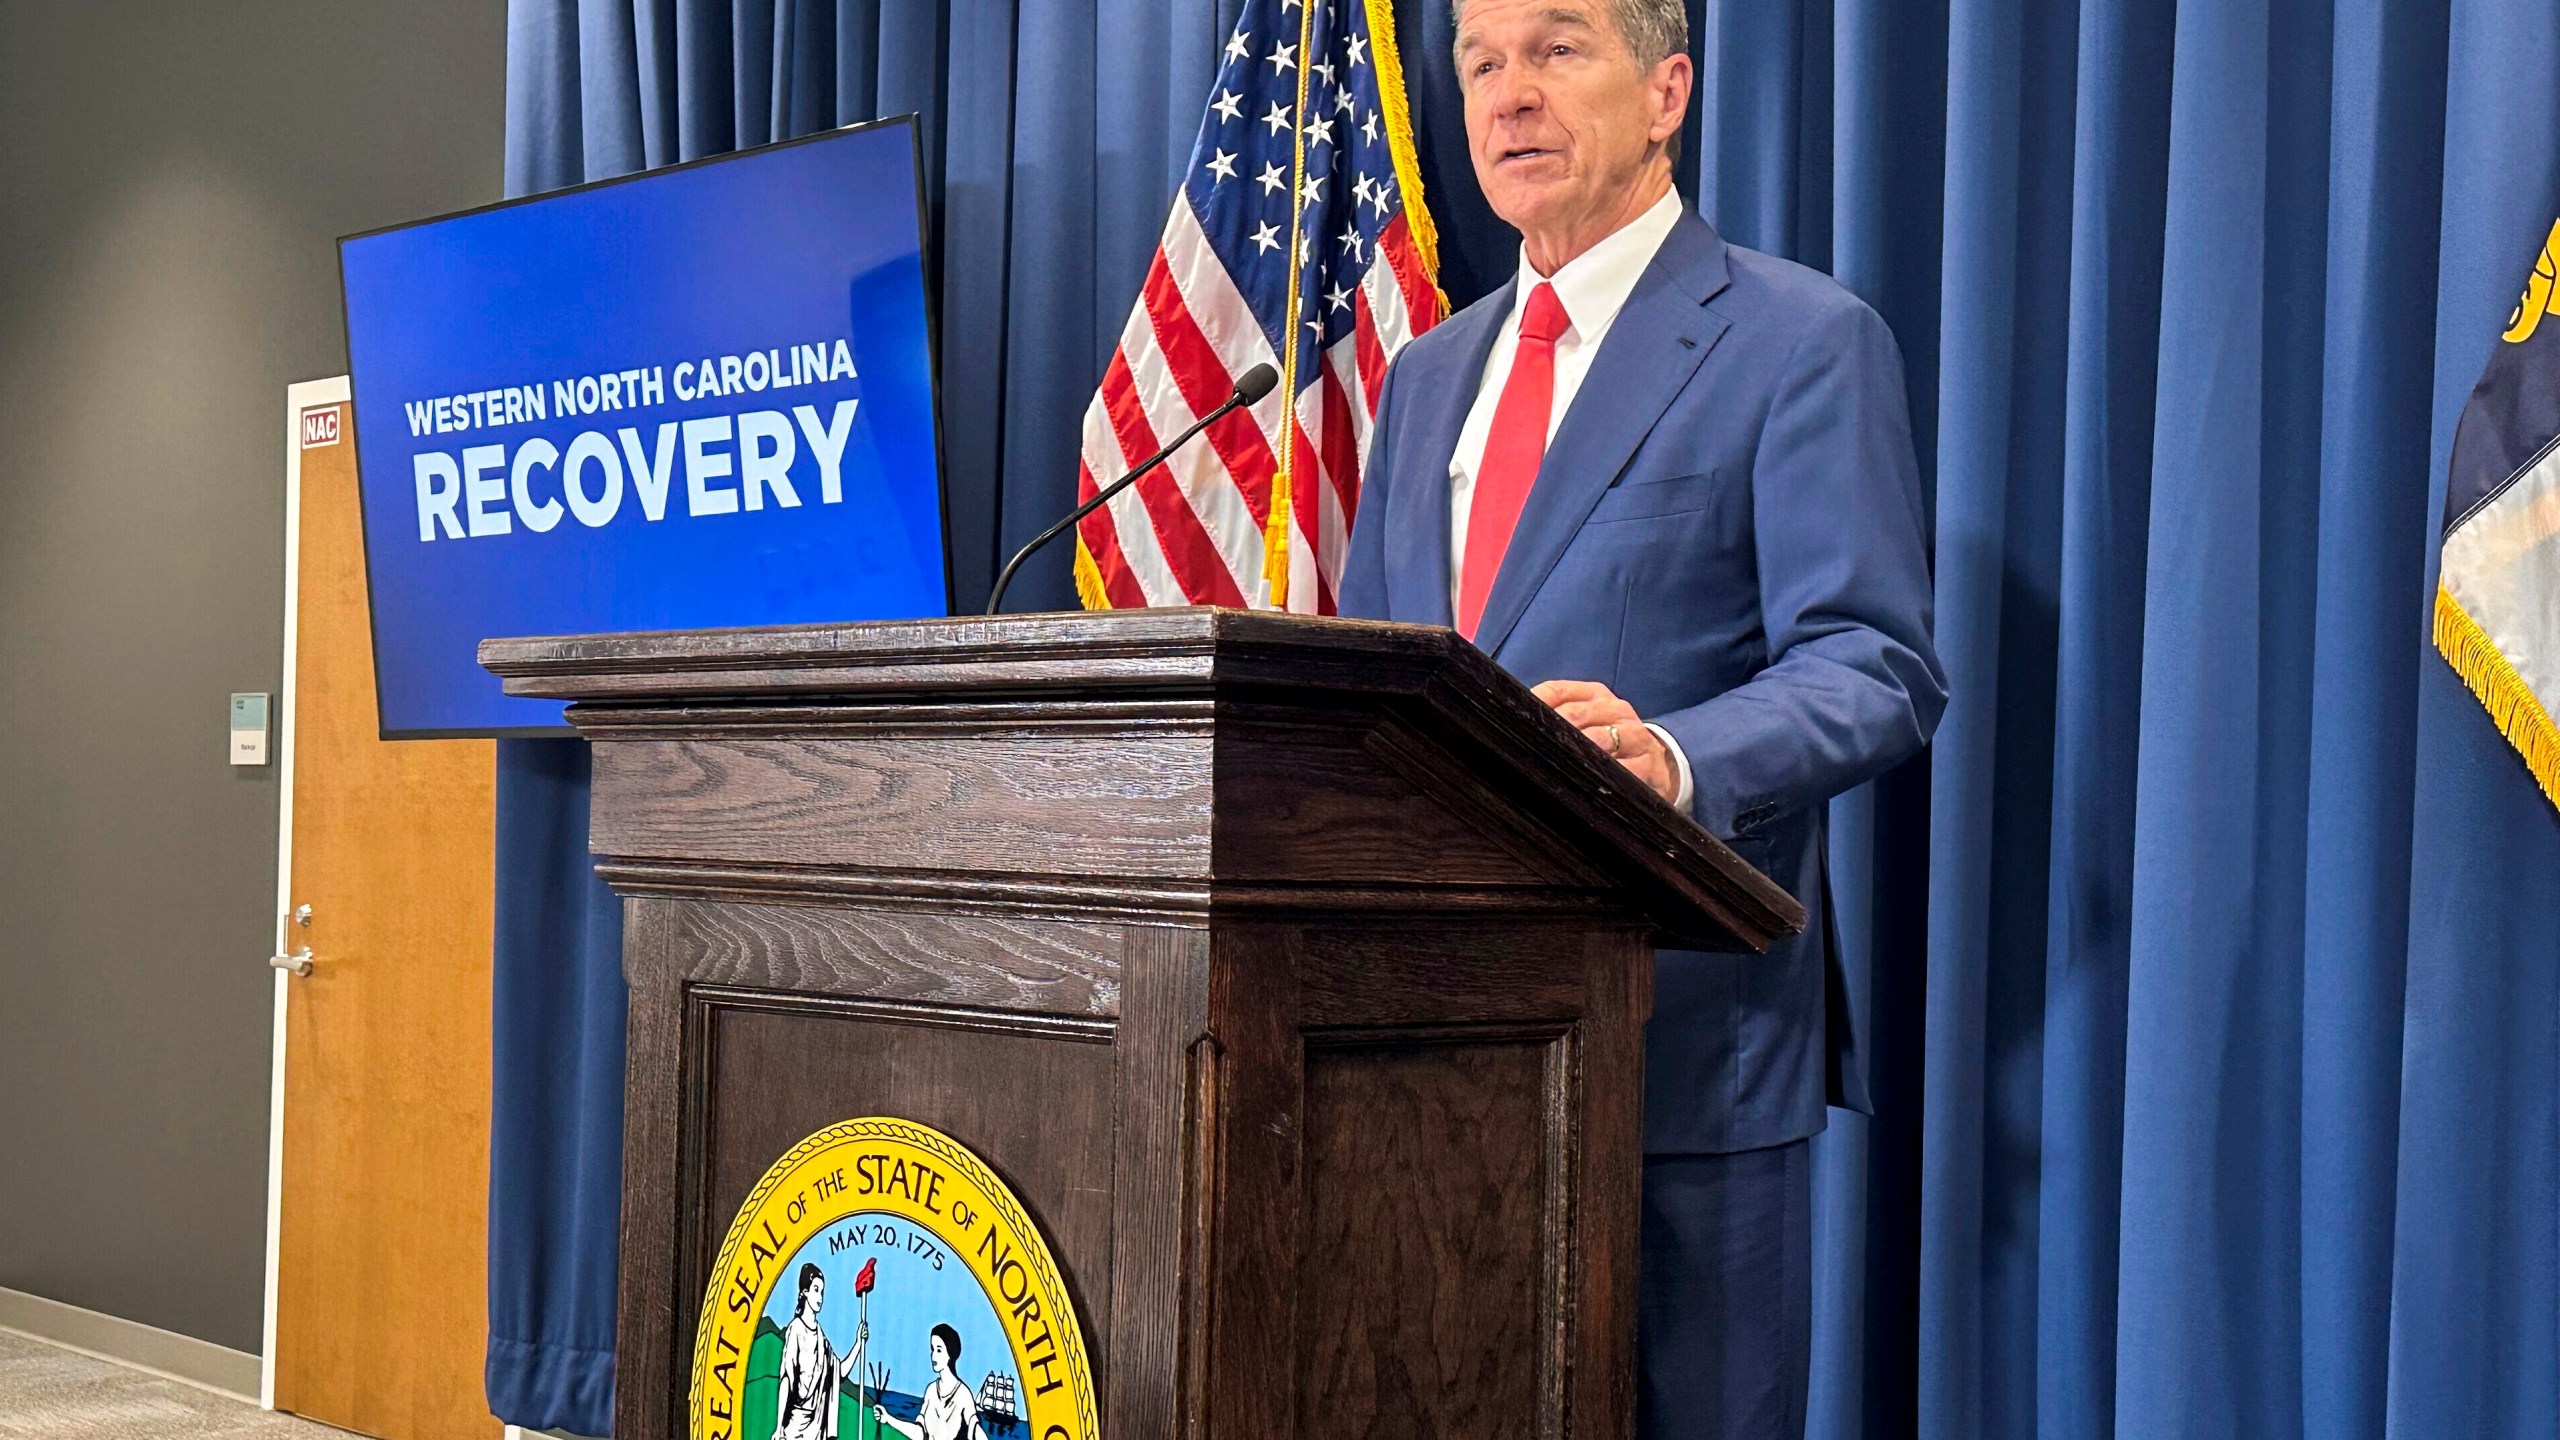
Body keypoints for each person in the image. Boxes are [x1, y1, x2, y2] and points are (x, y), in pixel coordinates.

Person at [1337, 1, 1947, 1436]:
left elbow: (1873, 663)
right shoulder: (1426, 377)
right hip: (1411, 1063)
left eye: (1556, 51)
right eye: (1481, 65)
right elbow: (1369, 676)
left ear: (1667, 91)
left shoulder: (1800, 340)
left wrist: (1672, 758)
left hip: (1674, 1059)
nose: (1508, 99)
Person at [770, 1265, 867, 1440]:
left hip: (816, 1430)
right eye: (816, 1290)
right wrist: (778, 1428)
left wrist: (859, 1343)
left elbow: (840, 1372)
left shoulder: (822, 1340)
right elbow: (786, 1378)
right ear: (805, 1292)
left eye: (822, 1291)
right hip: (795, 1428)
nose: (820, 1297)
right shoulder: (796, 1330)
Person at [872, 1324, 982, 1440]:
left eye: (939, 1350)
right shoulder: (931, 1391)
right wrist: (888, 1418)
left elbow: (975, 1430)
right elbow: (918, 1433)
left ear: (951, 1352)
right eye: (932, 1349)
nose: (933, 1355)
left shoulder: (963, 1394)